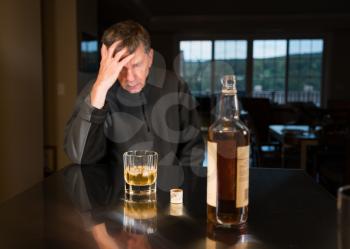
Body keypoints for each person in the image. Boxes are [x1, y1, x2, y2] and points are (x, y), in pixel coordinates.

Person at [64, 20, 204, 192]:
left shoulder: (175, 85)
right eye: (121, 67)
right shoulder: (96, 91)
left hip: (170, 197)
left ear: (150, 58)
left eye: (136, 65)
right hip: (116, 201)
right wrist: (100, 89)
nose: (130, 77)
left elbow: (193, 147)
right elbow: (79, 157)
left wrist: (183, 193)